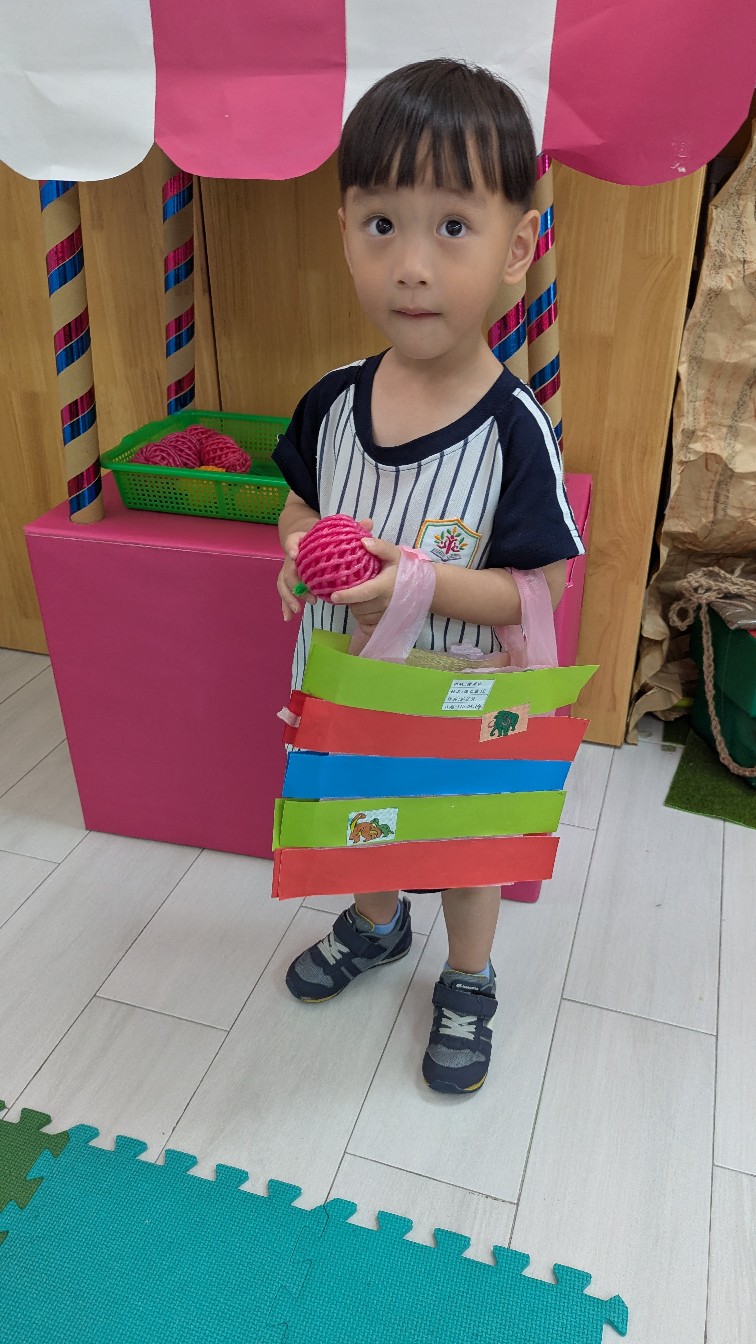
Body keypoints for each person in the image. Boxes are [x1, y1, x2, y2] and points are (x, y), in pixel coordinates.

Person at [272, 58, 583, 1095]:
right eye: (381, 224)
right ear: (344, 232)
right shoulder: (331, 401)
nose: (410, 266)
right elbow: (298, 505)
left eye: (452, 226)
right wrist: (295, 550)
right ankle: (376, 928)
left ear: (516, 249)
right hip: (348, 687)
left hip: (459, 703)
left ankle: (467, 976)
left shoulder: (513, 432)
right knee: (359, 818)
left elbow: (536, 593)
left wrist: (415, 583)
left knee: (460, 845)